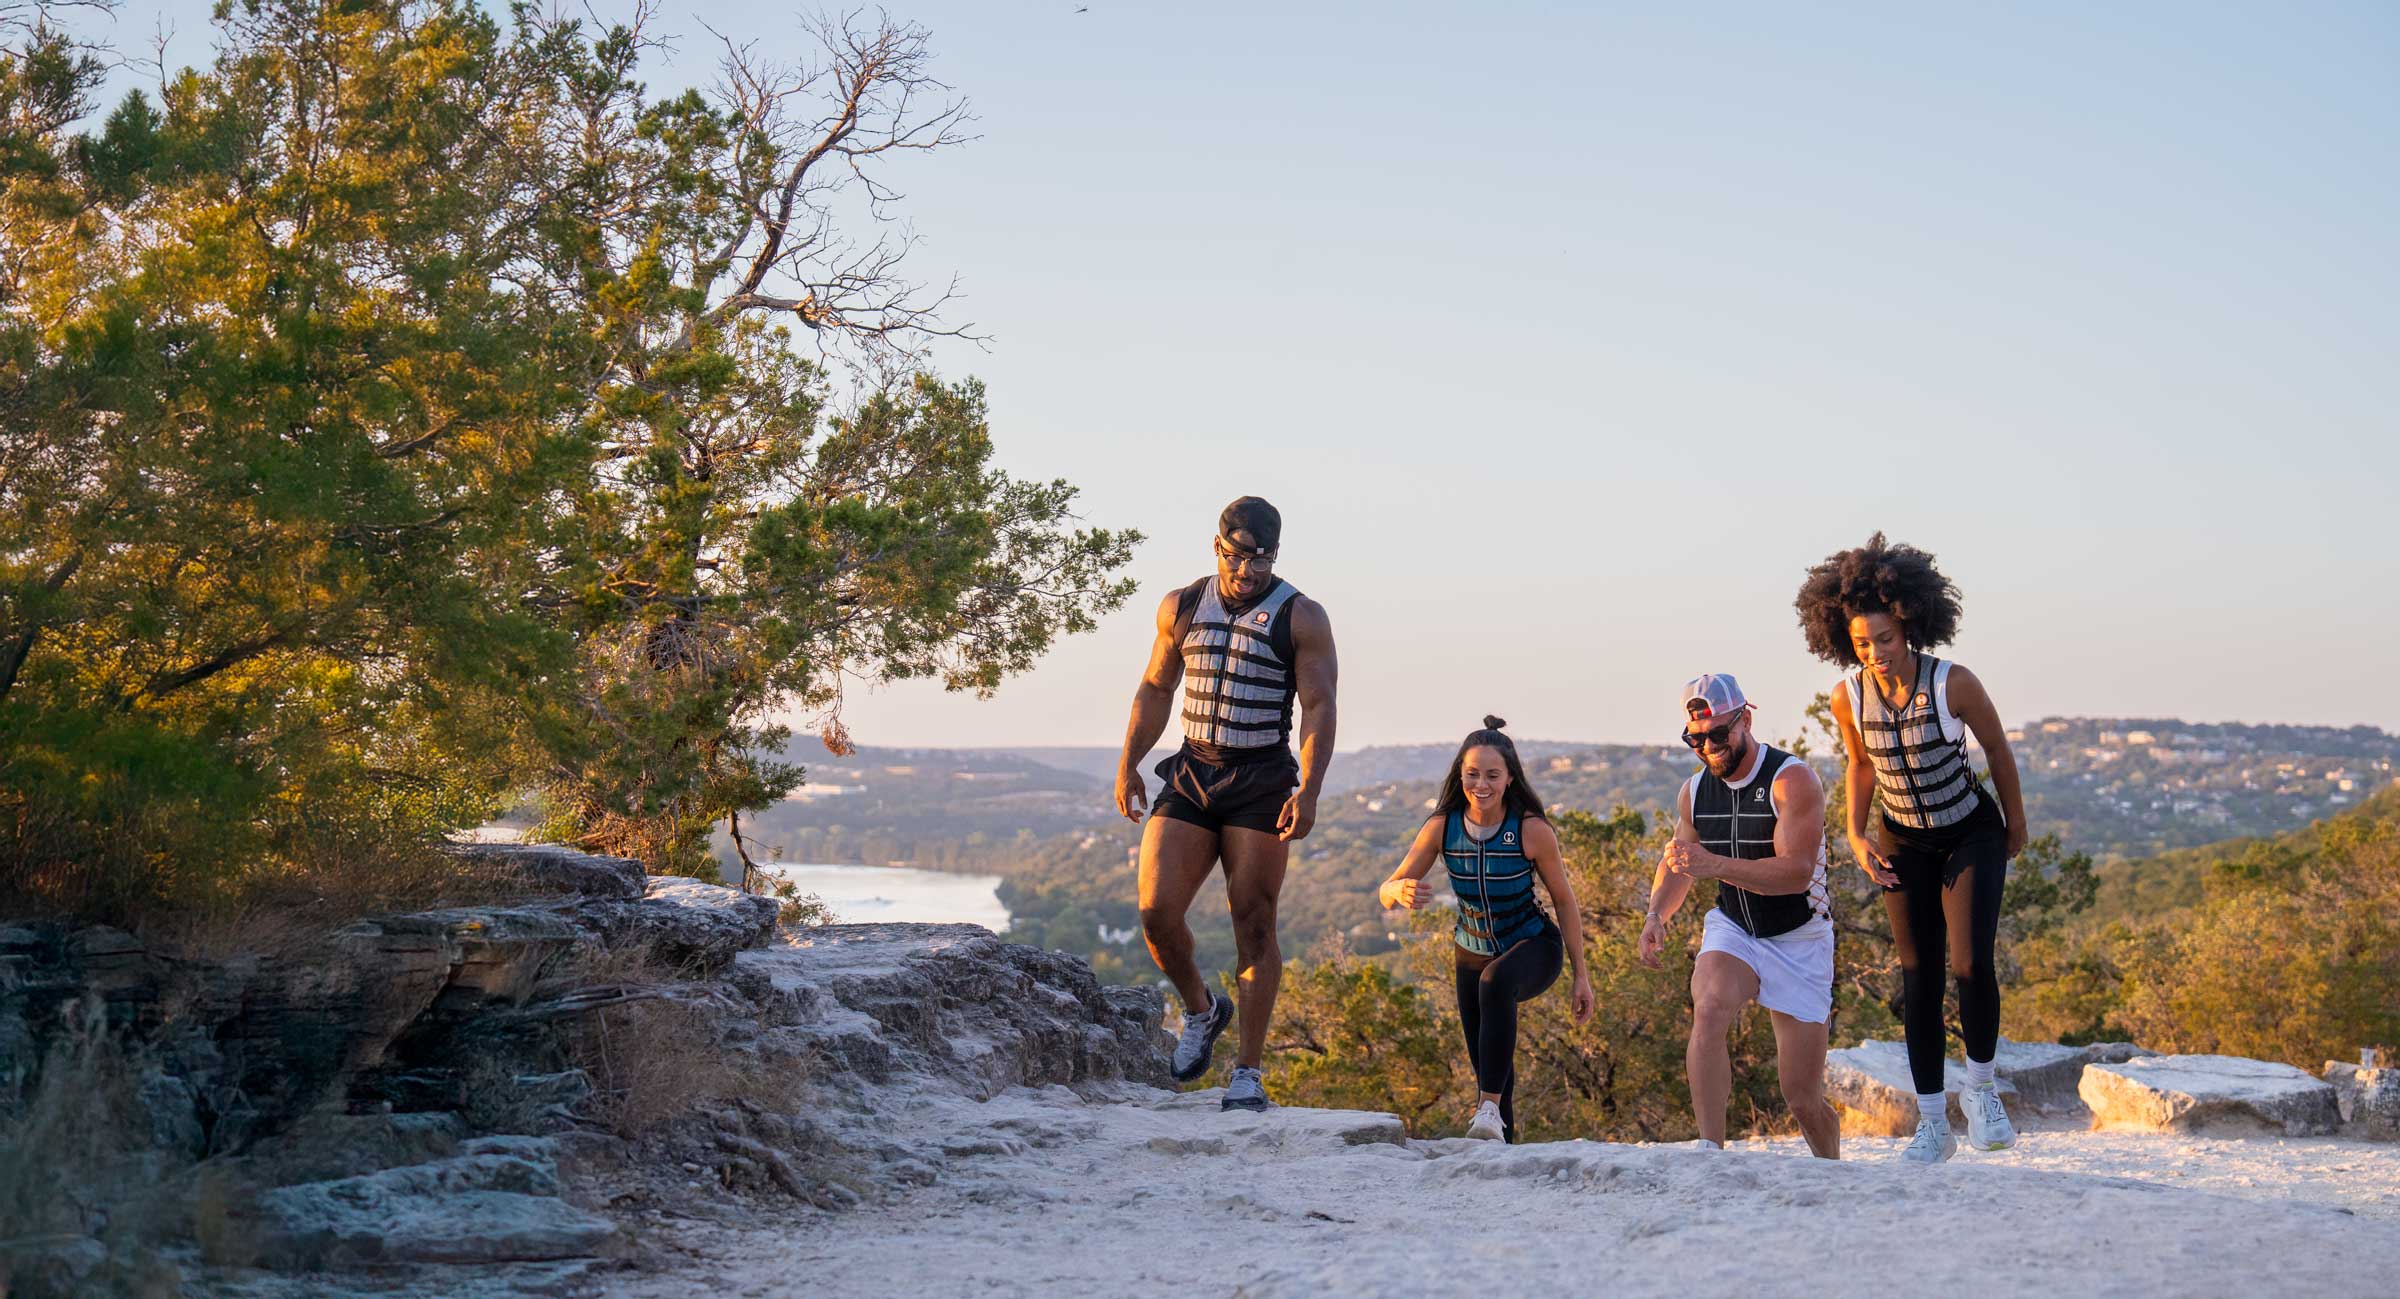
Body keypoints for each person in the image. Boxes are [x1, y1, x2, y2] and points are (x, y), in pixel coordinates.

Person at [1797, 533, 2028, 1163]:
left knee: (1972, 963)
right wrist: (1854, 831)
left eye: (1885, 639)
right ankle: (1932, 1122)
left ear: (1911, 627)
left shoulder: (1954, 683)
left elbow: (1999, 751)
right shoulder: (1849, 696)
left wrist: (2015, 823)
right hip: (1903, 841)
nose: (1874, 652)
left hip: (1968, 831)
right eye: (1862, 643)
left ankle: (1981, 1091)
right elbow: (1860, 764)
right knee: (1919, 977)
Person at [1114, 497, 1338, 1112]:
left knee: (1254, 921)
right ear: (1218, 547)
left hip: (1261, 778)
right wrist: (1128, 761)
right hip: (1192, 770)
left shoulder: (1301, 616)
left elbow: (1319, 707)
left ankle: (1248, 1072)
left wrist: (1309, 789)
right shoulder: (1182, 605)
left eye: (1260, 561)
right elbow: (1157, 685)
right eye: (1238, 558)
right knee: (1157, 914)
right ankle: (1202, 1011)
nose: (1247, 572)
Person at [1638, 675, 1841, 1159]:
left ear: (1745, 721)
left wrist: (1715, 866)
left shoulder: (1791, 780)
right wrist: (1655, 915)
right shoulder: (1693, 792)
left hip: (1798, 937)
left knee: (1801, 1097)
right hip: (1735, 927)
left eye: (1717, 734)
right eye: (1695, 737)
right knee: (1708, 1008)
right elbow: (1679, 859)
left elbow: (1794, 873)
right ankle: (1710, 1153)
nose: (1707, 746)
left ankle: (1833, 1172)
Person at [1378, 718, 1594, 1142]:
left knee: (1496, 984)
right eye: (1472, 773)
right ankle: (1499, 1140)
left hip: (1534, 945)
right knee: (1488, 1061)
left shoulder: (1531, 829)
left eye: (1492, 775)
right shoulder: (1442, 827)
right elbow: (1386, 889)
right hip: (1470, 951)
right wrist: (1397, 890)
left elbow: (1565, 901)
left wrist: (1581, 976)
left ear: (1510, 778)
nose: (1481, 784)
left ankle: (1487, 1109)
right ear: (1460, 775)